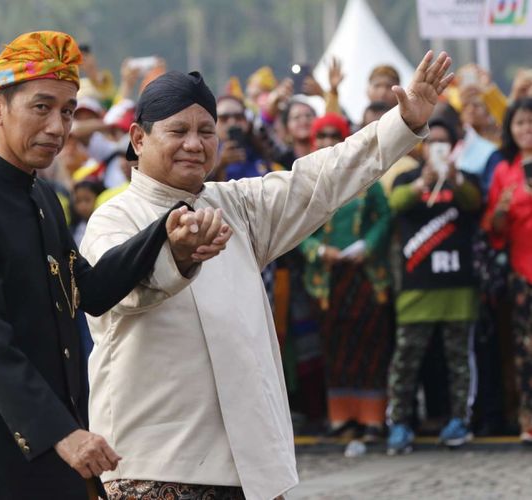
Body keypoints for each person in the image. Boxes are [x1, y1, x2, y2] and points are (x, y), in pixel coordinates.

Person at [81, 51, 453, 499]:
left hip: (249, 464)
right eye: (178, 131)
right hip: (156, 462)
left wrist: (400, 126)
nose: (194, 144)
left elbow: (321, 178)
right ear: (138, 139)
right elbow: (111, 291)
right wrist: (174, 254)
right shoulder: (114, 218)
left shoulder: (235, 205)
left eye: (206, 131)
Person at [0, 31, 230, 500]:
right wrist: (60, 433)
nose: (58, 127)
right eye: (42, 107)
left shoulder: (43, 195)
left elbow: (87, 290)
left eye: (67, 111)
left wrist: (163, 233)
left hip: (60, 436)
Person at [386, 118, 482, 455]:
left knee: (459, 359)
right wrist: (421, 185)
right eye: (431, 141)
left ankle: (460, 421)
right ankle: (398, 423)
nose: (436, 146)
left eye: (443, 141)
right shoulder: (407, 178)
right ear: (422, 146)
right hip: (417, 285)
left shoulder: (466, 179)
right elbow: (395, 203)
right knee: (406, 359)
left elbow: (474, 202)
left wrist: (452, 179)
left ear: (453, 147)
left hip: (458, 285)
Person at [299, 114, 392, 446]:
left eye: (333, 134)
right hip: (326, 278)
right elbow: (292, 228)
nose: (326, 141)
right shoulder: (304, 182)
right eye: (320, 135)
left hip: (364, 274)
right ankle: (341, 417)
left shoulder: (367, 177)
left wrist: (367, 244)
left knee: (370, 347)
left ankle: (372, 418)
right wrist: (317, 251)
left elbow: (385, 216)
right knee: (335, 348)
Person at [482, 97, 532, 444]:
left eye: (531, 122)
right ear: (510, 130)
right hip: (522, 274)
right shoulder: (503, 171)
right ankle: (528, 419)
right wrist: (499, 211)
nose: (526, 129)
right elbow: (493, 229)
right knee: (525, 350)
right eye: (519, 123)